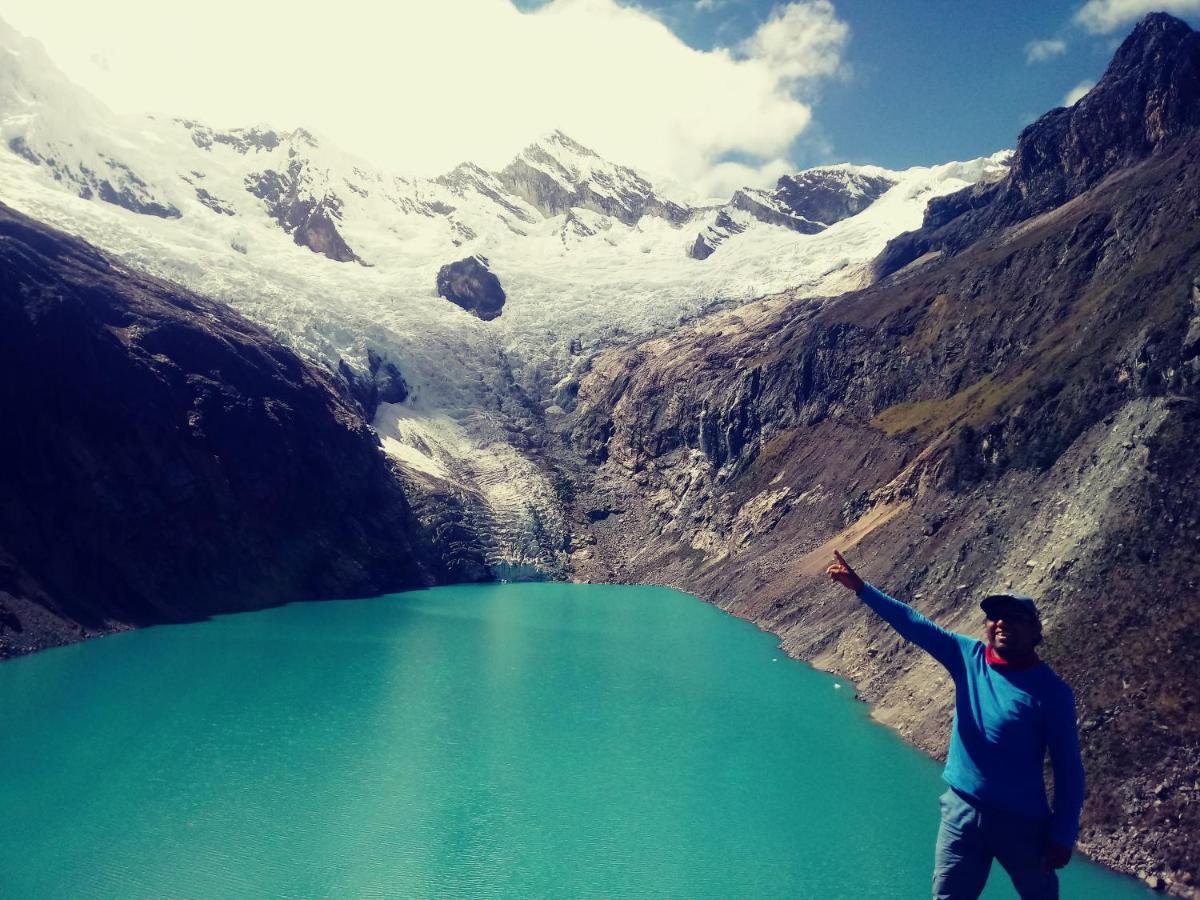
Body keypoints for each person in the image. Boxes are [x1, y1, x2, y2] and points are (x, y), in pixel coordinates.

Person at [826, 549, 1084, 900]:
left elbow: (1070, 770)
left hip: (1023, 823)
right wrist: (860, 588)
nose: (1002, 623)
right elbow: (913, 623)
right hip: (961, 811)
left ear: (1035, 629)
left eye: (1014, 617)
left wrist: (1063, 835)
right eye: (995, 616)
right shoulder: (968, 657)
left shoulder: (1052, 693)